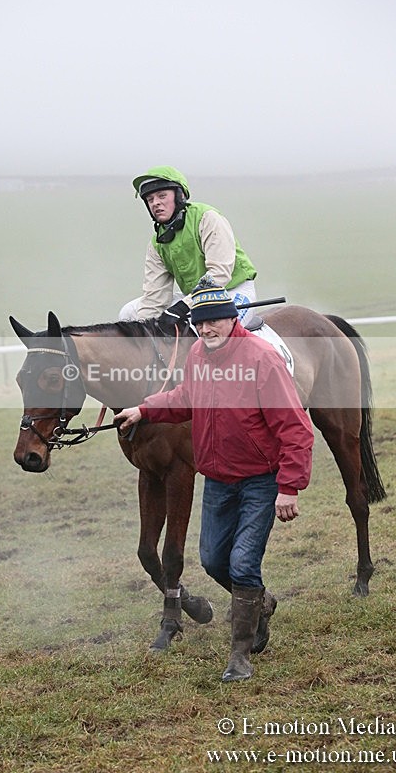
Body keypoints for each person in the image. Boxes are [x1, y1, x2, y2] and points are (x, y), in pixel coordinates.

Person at [116, 277, 314, 682]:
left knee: (242, 564)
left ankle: (239, 657)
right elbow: (184, 398)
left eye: (213, 323)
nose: (205, 331)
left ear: (231, 318)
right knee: (212, 560)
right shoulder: (198, 358)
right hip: (219, 480)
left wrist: (289, 486)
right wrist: (144, 409)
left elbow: (296, 428)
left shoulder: (262, 360)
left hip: (261, 480)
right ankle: (260, 602)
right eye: (199, 325)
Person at [119, 166, 258, 333]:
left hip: (231, 291)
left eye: (162, 196)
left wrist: (184, 306)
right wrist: (144, 331)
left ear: (180, 196)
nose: (155, 203)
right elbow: (154, 298)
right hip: (193, 297)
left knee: (208, 331)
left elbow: (220, 274)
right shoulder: (156, 244)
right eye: (150, 199)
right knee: (129, 312)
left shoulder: (207, 218)